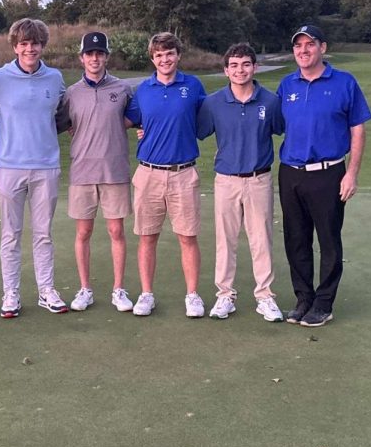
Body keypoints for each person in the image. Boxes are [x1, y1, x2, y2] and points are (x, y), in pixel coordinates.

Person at [276, 24, 371, 327]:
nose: (303, 51)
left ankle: (324, 303)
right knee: (296, 239)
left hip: (329, 173)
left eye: (309, 45)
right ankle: (303, 298)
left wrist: (352, 174)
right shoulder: (287, 85)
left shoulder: (344, 82)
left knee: (329, 240)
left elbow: (357, 129)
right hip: (290, 173)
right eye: (298, 46)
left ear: (323, 48)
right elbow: (267, 121)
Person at [0, 18, 68, 318]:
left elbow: (63, 114)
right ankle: (11, 294)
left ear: (42, 45)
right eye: (24, 43)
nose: (29, 48)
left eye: (35, 43)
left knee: (43, 233)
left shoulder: (55, 78)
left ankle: (46, 290)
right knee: (11, 234)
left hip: (46, 166)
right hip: (9, 167)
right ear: (15, 46)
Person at [197, 43, 286, 322]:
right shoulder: (213, 102)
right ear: (226, 70)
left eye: (246, 64)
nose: (240, 70)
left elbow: (284, 129)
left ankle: (265, 297)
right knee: (226, 240)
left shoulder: (270, 102)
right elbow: (195, 131)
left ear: (255, 67)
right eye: (234, 65)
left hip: (259, 179)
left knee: (261, 239)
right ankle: (225, 296)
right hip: (226, 180)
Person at [125, 32, 207, 318]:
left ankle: (192, 295)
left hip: (184, 173)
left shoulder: (194, 86)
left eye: (169, 53)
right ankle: (147, 294)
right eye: (159, 55)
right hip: (148, 173)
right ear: (152, 58)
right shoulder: (144, 90)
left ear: (178, 55)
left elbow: (206, 120)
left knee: (188, 237)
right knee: (147, 237)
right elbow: (127, 119)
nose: (164, 59)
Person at [57, 31, 135, 312]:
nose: (95, 58)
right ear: (81, 58)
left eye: (99, 53)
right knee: (84, 232)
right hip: (82, 170)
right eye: (89, 54)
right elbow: (60, 123)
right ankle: (85, 289)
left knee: (116, 230)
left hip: (114, 170)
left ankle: (118, 289)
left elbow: (135, 117)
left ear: (106, 57)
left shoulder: (123, 89)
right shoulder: (71, 93)